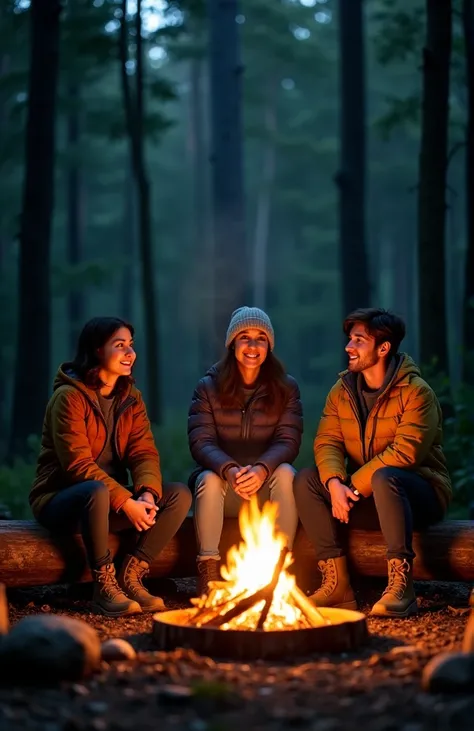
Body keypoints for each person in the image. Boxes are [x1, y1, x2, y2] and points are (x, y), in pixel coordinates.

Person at [294, 308, 451, 617]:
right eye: (349, 339)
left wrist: (351, 485)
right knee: (307, 480)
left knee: (385, 477)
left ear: (383, 347)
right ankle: (337, 582)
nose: (348, 347)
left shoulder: (417, 392)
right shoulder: (342, 392)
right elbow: (328, 441)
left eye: (358, 340)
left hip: (420, 495)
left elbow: (406, 453)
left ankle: (401, 586)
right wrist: (335, 483)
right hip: (370, 496)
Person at [30, 317, 192, 617]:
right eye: (120, 346)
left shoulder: (130, 398)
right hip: (62, 502)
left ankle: (131, 574)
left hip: (110, 503)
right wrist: (125, 502)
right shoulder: (68, 398)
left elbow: (143, 452)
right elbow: (77, 465)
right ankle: (102, 584)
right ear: (97, 350)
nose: (130, 353)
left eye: (131, 345)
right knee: (95, 490)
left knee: (178, 494)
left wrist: (145, 494)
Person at [188, 307, 303, 596]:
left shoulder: (286, 388)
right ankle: (209, 572)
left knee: (287, 473)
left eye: (261, 338)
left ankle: (281, 570)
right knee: (208, 479)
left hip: (267, 491)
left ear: (269, 346)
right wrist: (230, 470)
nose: (253, 346)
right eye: (245, 337)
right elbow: (201, 441)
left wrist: (263, 469)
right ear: (232, 344)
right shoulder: (208, 387)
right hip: (226, 489)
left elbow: (288, 440)